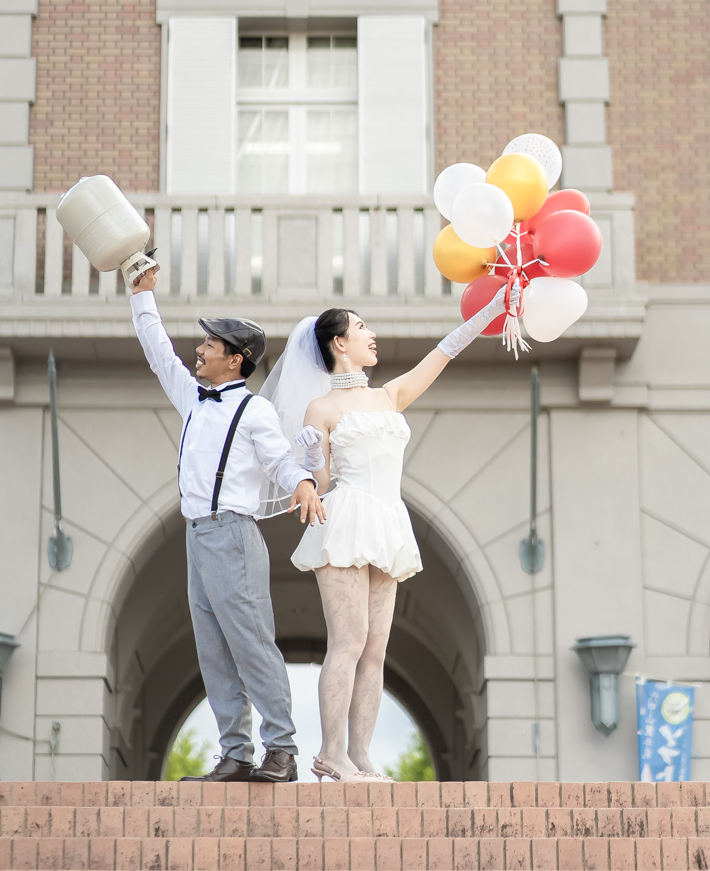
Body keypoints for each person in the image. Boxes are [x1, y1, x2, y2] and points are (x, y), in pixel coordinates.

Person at [263, 282, 515, 782]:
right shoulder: (322, 410)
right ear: (339, 343)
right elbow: (323, 482)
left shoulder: (390, 394)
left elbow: (446, 350)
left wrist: (494, 304)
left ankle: (360, 754)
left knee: (376, 645)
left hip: (387, 519)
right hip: (346, 518)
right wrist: (312, 462)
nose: (371, 335)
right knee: (349, 639)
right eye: (361, 328)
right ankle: (330, 752)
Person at [130, 267, 325, 784]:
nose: (199, 349)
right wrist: (143, 298)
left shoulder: (254, 411)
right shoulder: (193, 398)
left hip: (233, 535)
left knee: (251, 641)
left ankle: (281, 750)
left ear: (235, 358)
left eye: (210, 344)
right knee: (212, 648)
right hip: (197, 535)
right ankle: (236, 752)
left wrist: (302, 482)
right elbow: (158, 352)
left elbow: (281, 460)